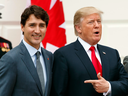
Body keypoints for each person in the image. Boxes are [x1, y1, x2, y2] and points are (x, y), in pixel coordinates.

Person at [51, 7, 128, 96]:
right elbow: (58, 92)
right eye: (91, 22)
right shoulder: (63, 55)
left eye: (98, 21)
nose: (97, 25)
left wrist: (109, 86)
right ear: (78, 28)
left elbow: (126, 83)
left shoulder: (112, 53)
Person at [0, 5, 54, 96]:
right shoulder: (11, 59)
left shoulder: (49, 56)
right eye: (32, 25)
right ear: (22, 27)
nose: (37, 31)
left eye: (42, 25)